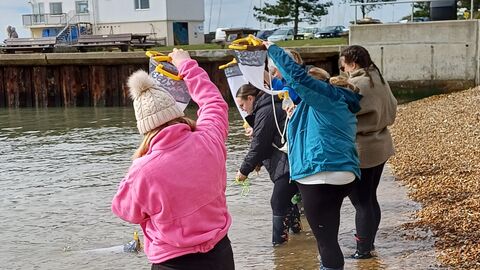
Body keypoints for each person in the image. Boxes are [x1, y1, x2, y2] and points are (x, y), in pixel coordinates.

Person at [111, 48, 234, 270]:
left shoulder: (143, 170)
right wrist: (186, 64)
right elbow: (214, 103)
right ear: (177, 114)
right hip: (220, 255)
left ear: (145, 129)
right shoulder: (209, 137)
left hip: (172, 261)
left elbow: (124, 210)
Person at [264, 41, 362, 270]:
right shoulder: (337, 102)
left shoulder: (324, 98)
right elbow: (282, 85)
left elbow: (297, 79)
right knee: (328, 237)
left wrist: (272, 49)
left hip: (320, 175)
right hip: (342, 174)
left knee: (326, 242)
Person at [340, 45, 397, 259]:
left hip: (362, 148)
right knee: (370, 197)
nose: (343, 69)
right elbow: (393, 107)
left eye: (343, 65)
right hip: (381, 144)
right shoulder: (378, 78)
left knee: (361, 202)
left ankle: (363, 250)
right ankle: (369, 243)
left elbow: (340, 112)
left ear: (353, 64)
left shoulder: (356, 84)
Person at [235, 83, 301, 246]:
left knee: (277, 201)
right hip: (292, 161)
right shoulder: (269, 105)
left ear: (250, 98)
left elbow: (259, 145)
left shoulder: (265, 111)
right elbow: (268, 139)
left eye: (242, 104)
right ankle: (297, 232)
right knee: (287, 198)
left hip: (287, 164)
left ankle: (280, 246)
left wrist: (244, 171)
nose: (242, 109)